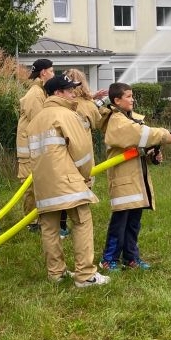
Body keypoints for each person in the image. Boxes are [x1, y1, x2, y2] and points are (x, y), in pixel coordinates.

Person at [27, 74, 110, 288]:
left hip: (43, 183)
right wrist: (85, 176)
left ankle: (56, 273)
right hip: (68, 180)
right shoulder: (66, 115)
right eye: (69, 89)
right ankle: (85, 275)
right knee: (82, 222)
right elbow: (82, 151)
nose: (73, 92)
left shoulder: (36, 120)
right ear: (57, 93)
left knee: (49, 228)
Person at [99, 82, 171, 271]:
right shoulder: (117, 121)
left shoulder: (130, 118)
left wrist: (153, 153)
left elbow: (139, 145)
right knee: (120, 223)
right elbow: (139, 135)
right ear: (117, 100)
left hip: (136, 179)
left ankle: (131, 258)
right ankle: (109, 260)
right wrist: (163, 135)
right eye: (128, 96)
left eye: (132, 95)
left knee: (133, 223)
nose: (132, 99)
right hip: (124, 180)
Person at [60, 68, 109, 237]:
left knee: (64, 187)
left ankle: (61, 226)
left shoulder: (61, 103)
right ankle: (80, 224)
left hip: (63, 153)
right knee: (82, 185)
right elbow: (97, 119)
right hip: (83, 153)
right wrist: (98, 102)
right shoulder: (87, 105)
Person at [16, 58, 54, 231]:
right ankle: (32, 222)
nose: (53, 74)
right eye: (52, 71)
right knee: (30, 187)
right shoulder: (35, 94)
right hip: (28, 151)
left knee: (39, 184)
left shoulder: (41, 91)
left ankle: (38, 217)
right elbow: (40, 121)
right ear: (44, 72)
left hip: (34, 149)